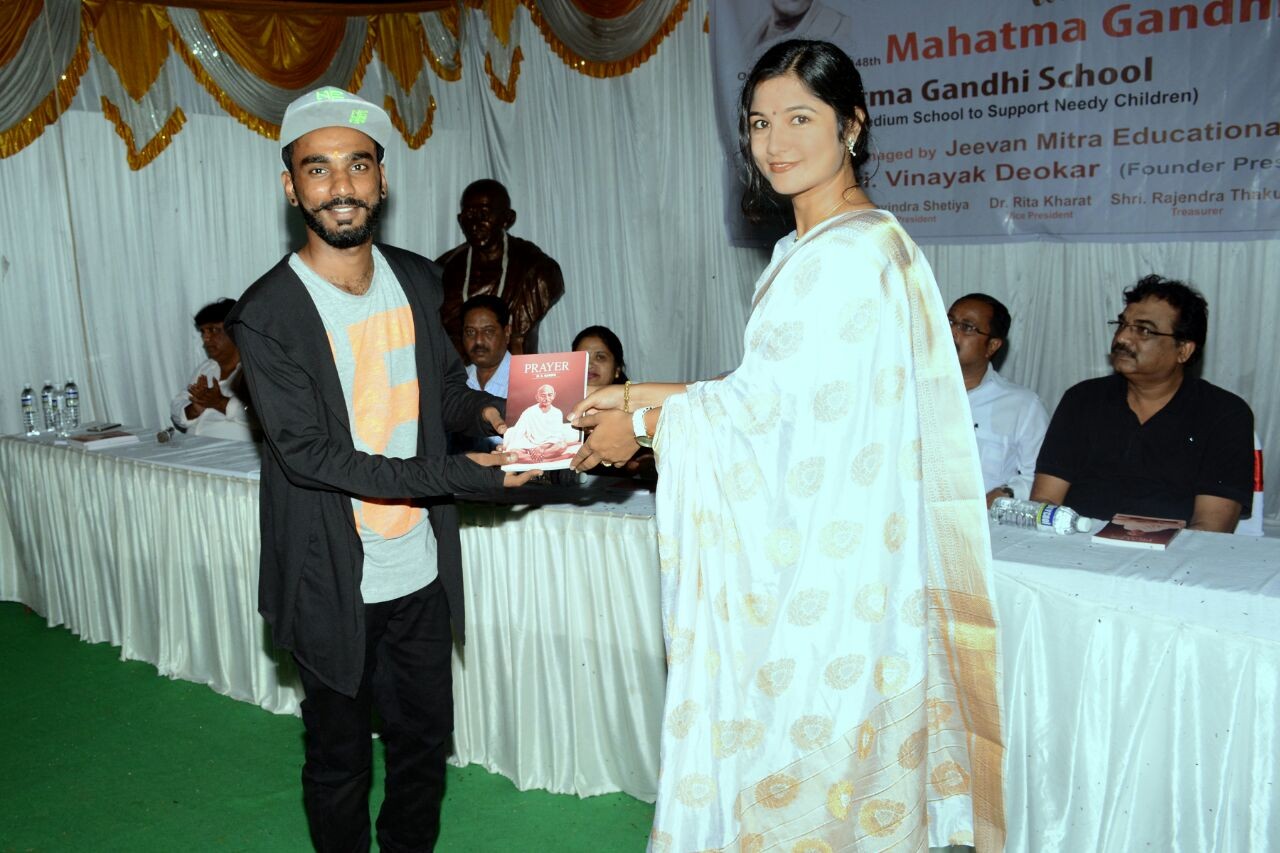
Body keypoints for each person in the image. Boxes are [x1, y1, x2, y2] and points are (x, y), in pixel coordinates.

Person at [569, 40, 1004, 852]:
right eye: (760, 122)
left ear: (852, 125)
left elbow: (772, 416)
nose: (774, 142)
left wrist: (648, 424)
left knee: (804, 762)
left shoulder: (851, 253)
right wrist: (635, 394)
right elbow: (772, 388)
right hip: (836, 552)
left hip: (828, 568)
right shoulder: (817, 247)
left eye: (800, 118)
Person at [223, 86, 537, 853]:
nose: (341, 185)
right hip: (332, 578)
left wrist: (495, 416)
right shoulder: (267, 314)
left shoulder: (420, 280)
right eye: (318, 169)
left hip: (419, 571)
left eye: (357, 165)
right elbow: (312, 456)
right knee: (340, 764)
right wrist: (467, 475)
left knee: (423, 749)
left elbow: (446, 390)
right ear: (291, 186)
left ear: (382, 178)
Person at [1032, 274, 1254, 530]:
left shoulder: (1224, 414)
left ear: (1183, 350)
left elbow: (1211, 527)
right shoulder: (1082, 399)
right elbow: (1045, 500)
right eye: (1122, 324)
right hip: (1077, 543)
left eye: (1144, 330)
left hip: (1172, 551)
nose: (1122, 338)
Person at [437, 179, 564, 358]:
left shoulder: (538, 270)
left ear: (508, 219)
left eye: (484, 214)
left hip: (516, 371)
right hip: (460, 373)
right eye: (469, 214)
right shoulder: (442, 270)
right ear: (460, 219)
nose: (475, 223)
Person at [949, 293, 1049, 505]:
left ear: (992, 346)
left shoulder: (1022, 405)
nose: (951, 332)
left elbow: (1039, 478)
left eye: (967, 327)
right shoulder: (910, 391)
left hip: (984, 521)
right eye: (949, 321)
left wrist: (1006, 494)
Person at [170, 298, 258, 441]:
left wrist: (221, 403)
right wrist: (194, 408)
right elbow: (177, 404)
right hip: (192, 447)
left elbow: (265, 417)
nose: (206, 338)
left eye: (213, 330)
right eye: (203, 332)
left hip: (235, 451)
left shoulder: (257, 369)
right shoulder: (207, 368)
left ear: (235, 332)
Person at [501, 383, 579, 464]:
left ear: (554, 395)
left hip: (548, 446)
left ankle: (533, 459)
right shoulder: (529, 412)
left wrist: (541, 448)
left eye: (550, 395)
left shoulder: (557, 412)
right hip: (530, 445)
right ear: (537, 397)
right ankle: (554, 459)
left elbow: (556, 436)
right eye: (543, 395)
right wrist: (529, 449)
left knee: (562, 445)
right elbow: (519, 431)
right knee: (514, 453)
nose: (547, 398)